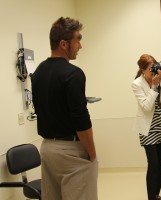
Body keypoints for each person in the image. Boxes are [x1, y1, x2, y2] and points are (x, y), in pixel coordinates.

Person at [31, 17, 98, 200]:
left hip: (47, 150)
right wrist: (92, 154)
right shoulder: (73, 74)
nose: (80, 46)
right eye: (78, 40)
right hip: (71, 153)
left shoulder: (37, 73)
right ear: (63, 44)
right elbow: (81, 119)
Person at [131, 54, 161, 200]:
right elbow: (146, 106)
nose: (153, 71)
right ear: (142, 70)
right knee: (153, 164)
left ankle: (156, 195)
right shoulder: (137, 84)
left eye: (155, 66)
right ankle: (151, 197)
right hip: (148, 128)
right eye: (151, 68)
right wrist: (154, 86)